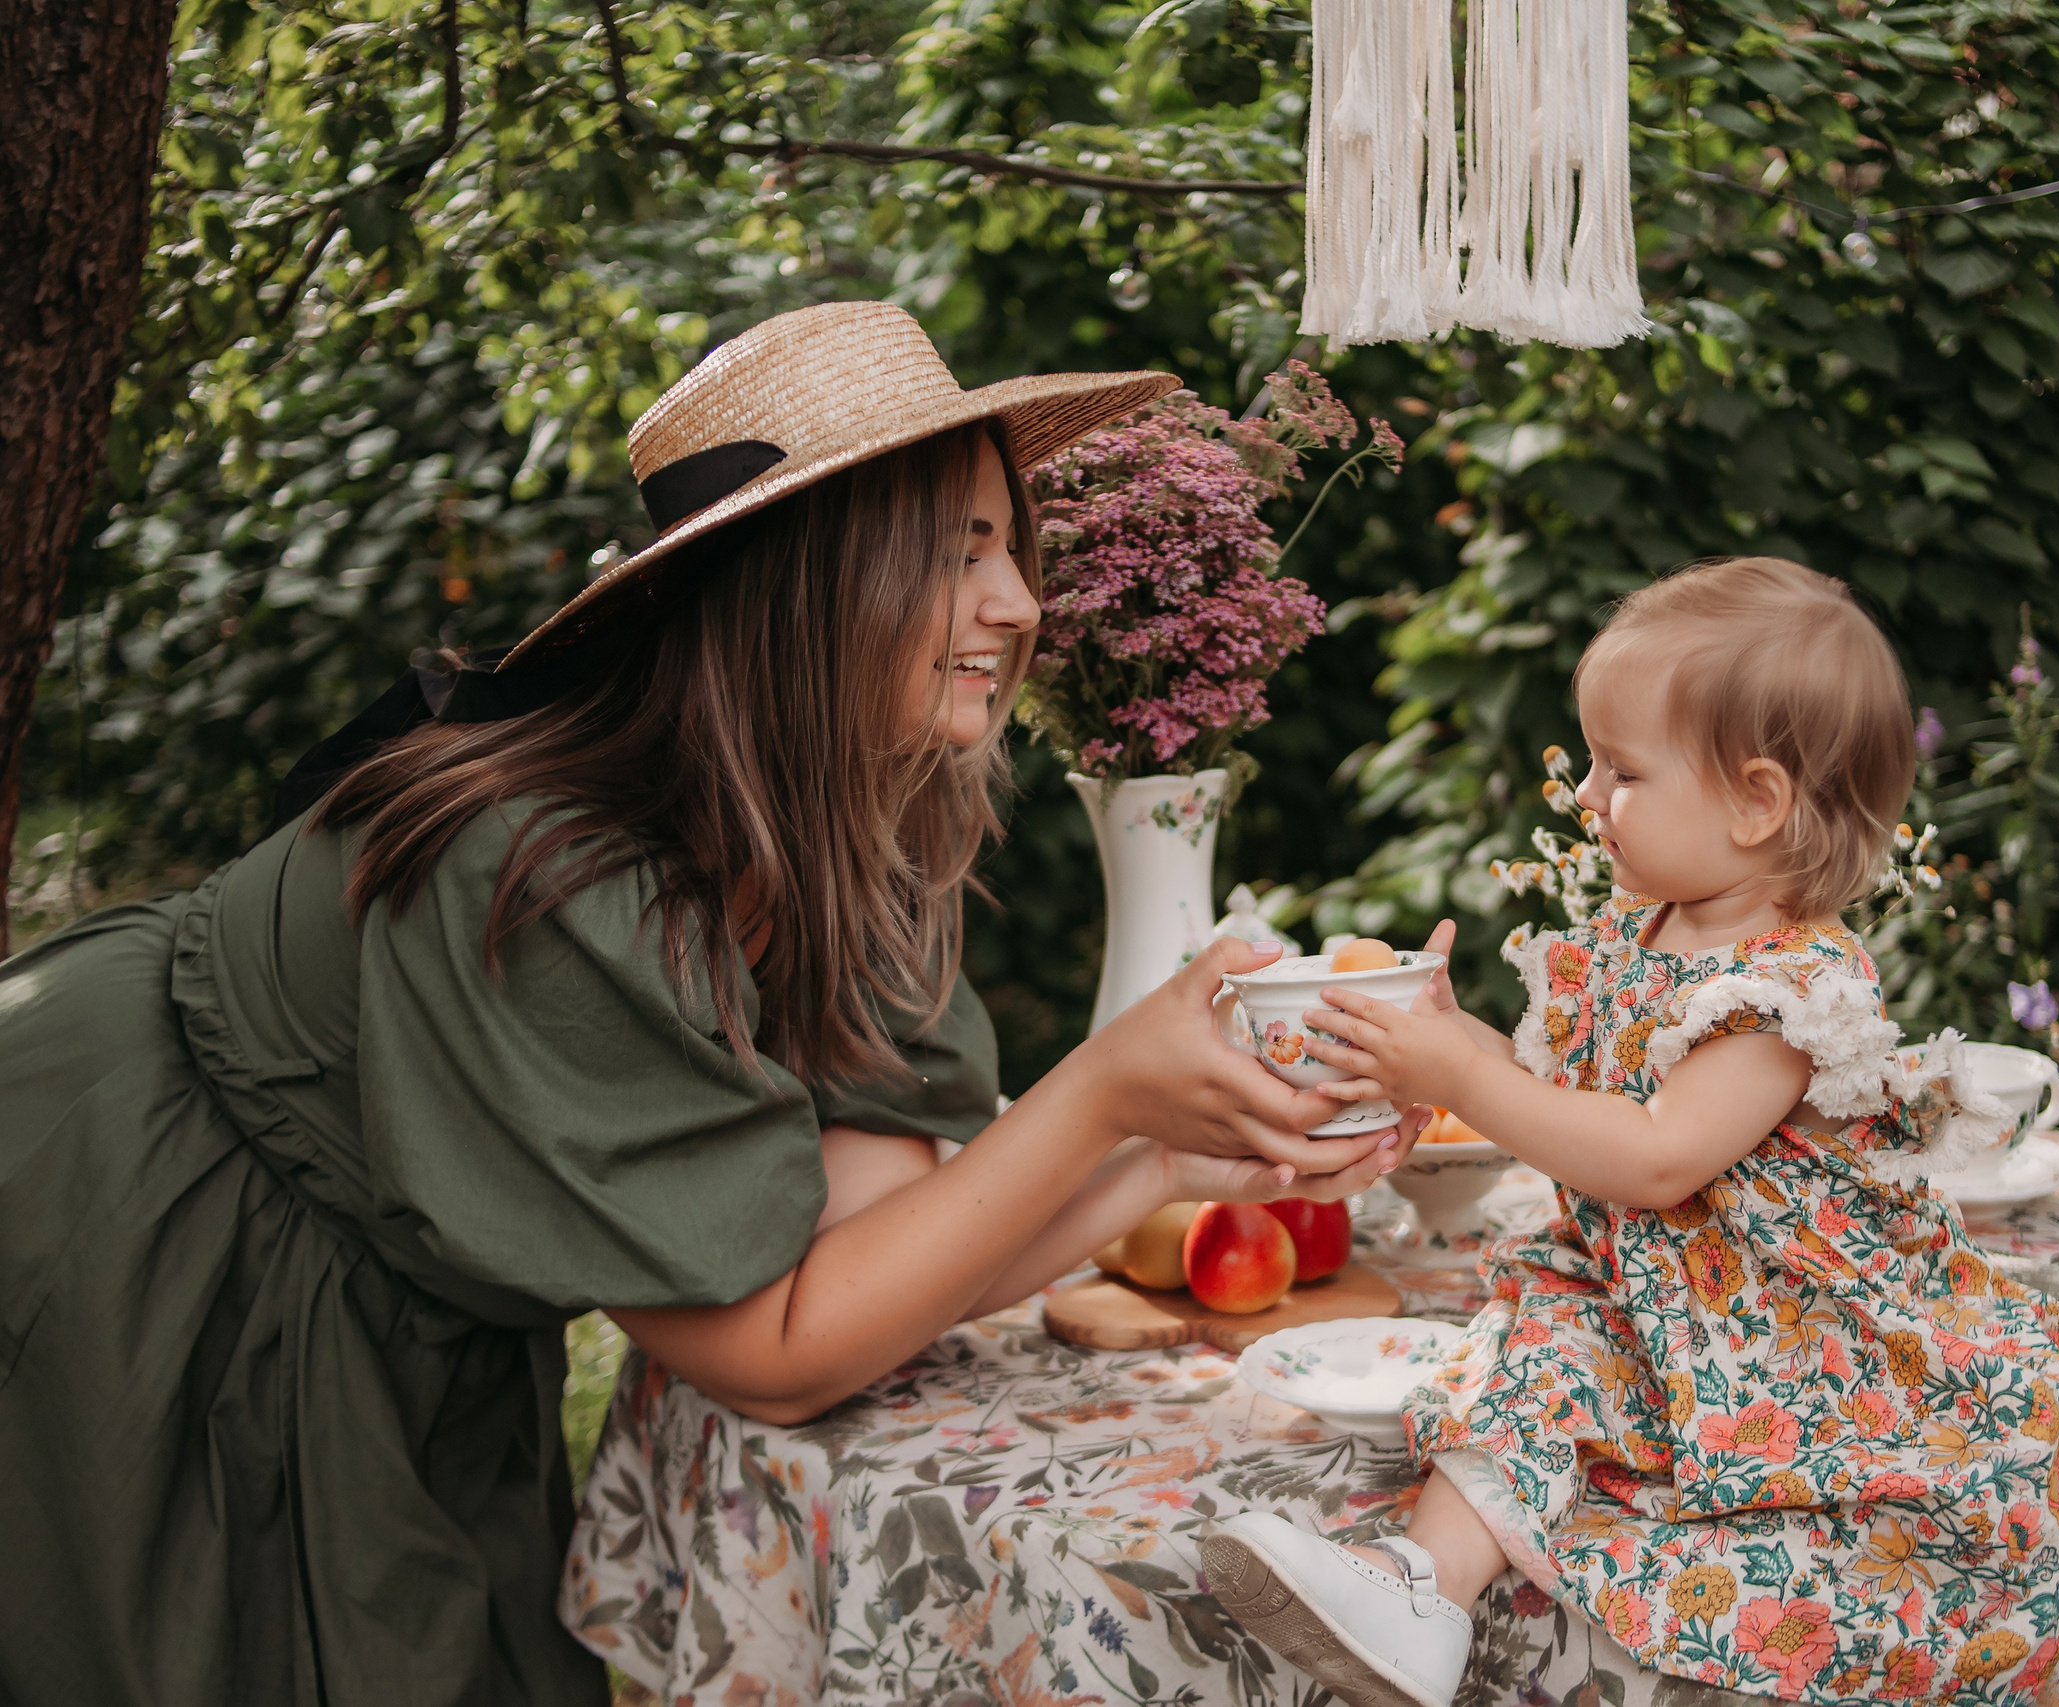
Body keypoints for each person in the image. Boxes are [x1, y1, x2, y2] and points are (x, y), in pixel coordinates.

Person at [0, 301, 1412, 1707]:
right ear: (809, 579)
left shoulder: (854, 825)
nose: (1021, 603)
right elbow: (778, 1353)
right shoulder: (555, 871)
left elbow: (868, 1263)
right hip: (130, 1204)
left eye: (1010, 544)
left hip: (407, 1294)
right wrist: (1102, 1088)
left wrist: (1158, 1158)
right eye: (959, 548)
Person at [1200, 558, 2059, 1707]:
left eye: (1622, 769)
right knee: (1528, 1363)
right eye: (1594, 762)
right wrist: (1458, 1048)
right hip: (1636, 1300)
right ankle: (1417, 1591)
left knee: (1634, 1388)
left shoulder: (1788, 991)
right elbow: (1579, 1105)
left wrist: (1461, 1068)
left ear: (1756, 802)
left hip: (1777, 1325)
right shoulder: (1636, 934)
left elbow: (1658, 1157)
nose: (1589, 797)